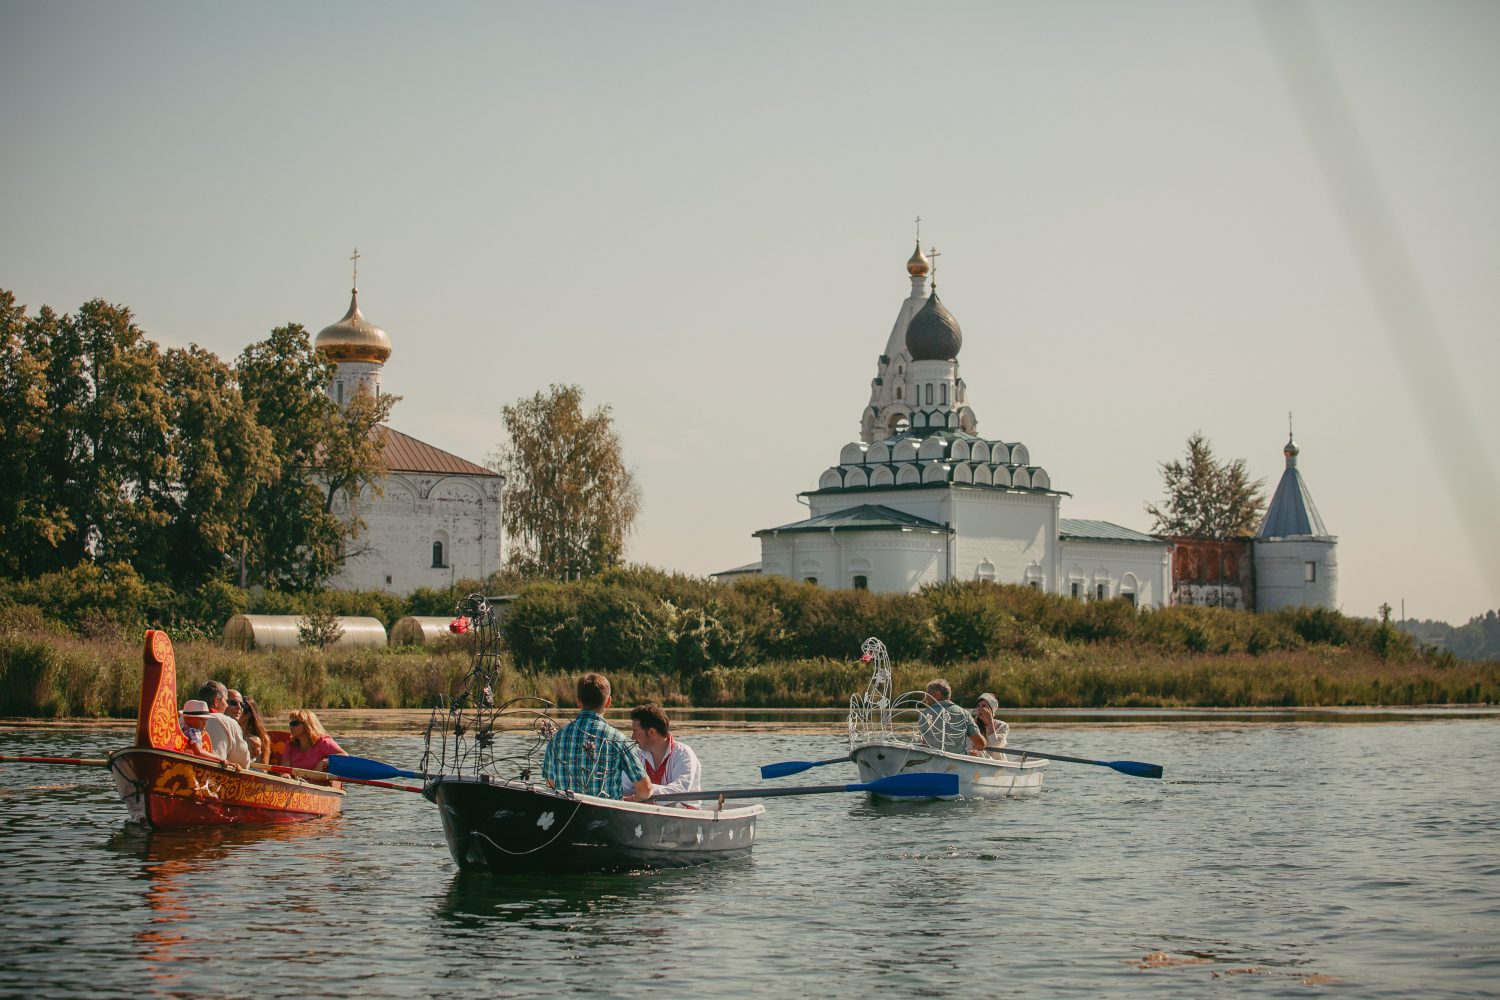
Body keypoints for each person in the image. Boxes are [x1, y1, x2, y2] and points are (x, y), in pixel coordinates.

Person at [541, 673, 651, 801]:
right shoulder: (619, 740)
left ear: (578, 701)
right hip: (607, 818)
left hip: (567, 814)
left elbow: (550, 784)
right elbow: (645, 791)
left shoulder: (556, 738)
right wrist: (633, 799)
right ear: (608, 702)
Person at [625, 703, 701, 805]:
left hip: (684, 814)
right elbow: (624, 787)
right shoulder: (637, 756)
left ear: (651, 732)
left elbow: (680, 790)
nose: (632, 737)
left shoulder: (684, 754)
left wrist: (645, 791)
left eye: (635, 731)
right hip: (649, 816)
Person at [917, 679, 985, 755]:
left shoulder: (924, 714)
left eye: (928, 693)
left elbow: (925, 744)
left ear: (937, 694)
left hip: (932, 762)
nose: (926, 697)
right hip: (958, 763)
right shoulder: (964, 713)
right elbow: (981, 745)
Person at [196, 680, 251, 767]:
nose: (226, 705)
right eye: (225, 701)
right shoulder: (229, 723)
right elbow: (243, 763)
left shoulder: (181, 719)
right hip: (215, 776)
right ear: (216, 701)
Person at [280, 709, 346, 772]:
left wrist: (324, 762)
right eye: (290, 724)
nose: (291, 727)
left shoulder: (323, 742)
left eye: (295, 723)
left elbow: (344, 756)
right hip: (294, 782)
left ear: (307, 724)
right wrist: (286, 777)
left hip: (319, 783)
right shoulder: (290, 745)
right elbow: (285, 771)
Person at [234, 693, 272, 764]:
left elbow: (264, 768)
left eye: (240, 707)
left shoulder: (263, 739)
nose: (236, 710)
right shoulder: (231, 733)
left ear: (247, 715)